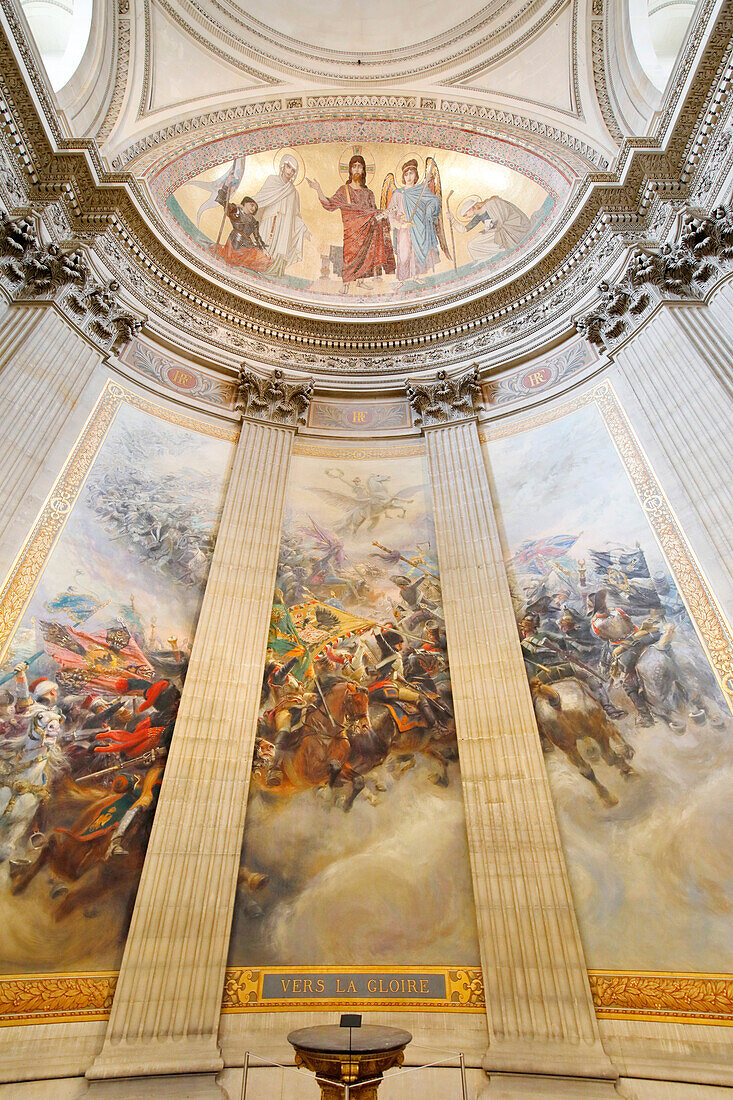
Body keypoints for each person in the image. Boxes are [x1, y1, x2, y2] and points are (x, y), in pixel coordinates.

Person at [307, 154, 395, 291]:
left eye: (360, 167)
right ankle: (346, 284)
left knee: (366, 255)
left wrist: (384, 215)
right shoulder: (344, 190)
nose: (357, 170)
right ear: (350, 170)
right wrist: (318, 190)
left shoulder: (369, 193)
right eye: (354, 166)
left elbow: (374, 213)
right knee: (350, 256)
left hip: (367, 232)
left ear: (364, 170)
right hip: (351, 232)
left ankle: (360, 281)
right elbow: (330, 205)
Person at [252, 154, 310, 275]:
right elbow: (260, 199)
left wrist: (303, 228)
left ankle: (272, 272)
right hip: (268, 220)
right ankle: (255, 266)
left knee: (279, 247)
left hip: (283, 227)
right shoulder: (271, 180)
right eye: (288, 167)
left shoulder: (293, 192)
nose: (290, 171)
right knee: (262, 240)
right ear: (283, 166)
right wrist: (245, 206)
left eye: (293, 170)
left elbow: (295, 216)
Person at [386, 159, 442, 284]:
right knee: (404, 253)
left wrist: (428, 210)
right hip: (403, 228)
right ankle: (402, 280)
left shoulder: (421, 190)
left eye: (411, 173)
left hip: (418, 227)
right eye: (406, 174)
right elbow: (390, 214)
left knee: (416, 252)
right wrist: (399, 224)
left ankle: (416, 276)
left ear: (416, 175)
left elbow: (435, 201)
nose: (409, 177)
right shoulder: (398, 194)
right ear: (403, 176)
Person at [449, 196, 530, 263]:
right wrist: (452, 220)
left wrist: (490, 228)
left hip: (511, 226)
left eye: (466, 214)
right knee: (472, 245)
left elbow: (503, 217)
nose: (467, 217)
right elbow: (464, 230)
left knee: (482, 239)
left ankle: (499, 251)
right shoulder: (478, 217)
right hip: (497, 231)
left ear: (470, 209)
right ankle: (486, 258)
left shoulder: (493, 203)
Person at [214, 192, 272, 271]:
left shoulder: (254, 222)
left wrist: (264, 249)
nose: (253, 208)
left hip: (247, 245)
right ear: (245, 203)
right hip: (235, 243)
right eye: (252, 205)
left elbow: (257, 236)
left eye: (255, 207)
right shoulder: (236, 212)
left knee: (265, 259)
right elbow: (222, 201)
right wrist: (238, 205)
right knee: (232, 260)